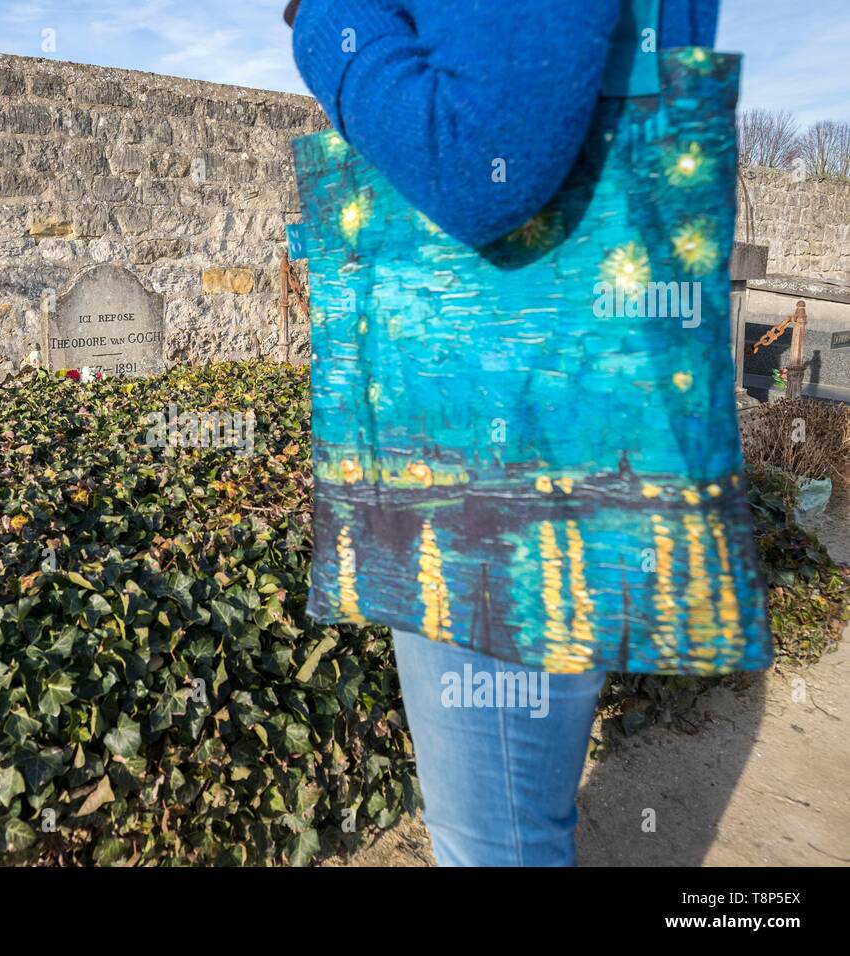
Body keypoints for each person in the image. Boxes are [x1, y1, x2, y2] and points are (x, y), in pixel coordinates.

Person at [287, 0, 766, 867]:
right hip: (554, 416)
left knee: (495, 841)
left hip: (507, 443)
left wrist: (324, 16)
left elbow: (481, 161)